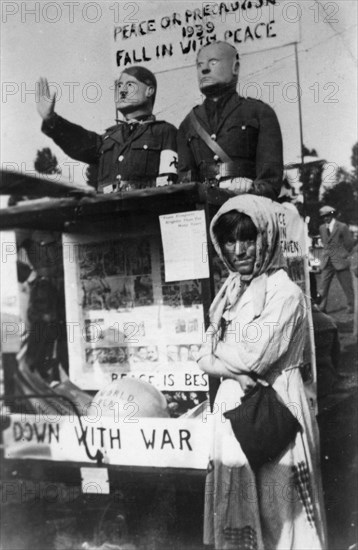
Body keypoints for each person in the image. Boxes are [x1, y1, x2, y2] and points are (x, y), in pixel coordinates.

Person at [198, 195, 326, 549]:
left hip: (275, 410)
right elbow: (202, 356)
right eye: (229, 240)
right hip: (233, 411)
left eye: (248, 238)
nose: (238, 250)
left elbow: (253, 357)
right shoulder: (231, 292)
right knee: (239, 509)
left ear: (266, 238)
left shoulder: (286, 294)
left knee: (281, 516)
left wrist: (220, 357)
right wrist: (233, 372)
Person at [36, 67, 178, 192]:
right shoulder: (108, 138)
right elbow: (80, 141)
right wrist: (51, 119)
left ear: (149, 90)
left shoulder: (165, 132)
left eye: (130, 85)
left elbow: (170, 185)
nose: (122, 91)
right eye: (119, 85)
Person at [177, 42, 283, 199]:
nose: (204, 69)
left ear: (235, 68)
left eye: (213, 62)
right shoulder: (188, 124)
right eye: (199, 65)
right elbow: (186, 184)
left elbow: (270, 181)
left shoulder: (260, 113)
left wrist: (251, 188)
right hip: (206, 210)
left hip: (247, 207)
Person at [318, 205, 354, 314]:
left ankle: (352, 306)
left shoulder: (342, 227)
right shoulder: (322, 228)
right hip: (327, 260)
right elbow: (325, 243)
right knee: (323, 286)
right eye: (323, 217)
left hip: (340, 261)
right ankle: (322, 307)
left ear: (332, 215)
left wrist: (343, 254)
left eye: (328, 215)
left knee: (347, 286)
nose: (325, 218)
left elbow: (349, 243)